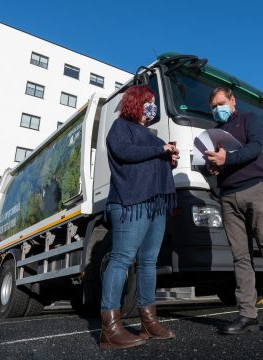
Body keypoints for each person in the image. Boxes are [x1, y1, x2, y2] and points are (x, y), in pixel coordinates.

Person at [205, 87, 263, 336]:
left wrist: (228, 159)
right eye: (213, 106)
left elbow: (255, 147)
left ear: (232, 101)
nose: (217, 109)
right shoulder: (214, 133)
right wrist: (212, 169)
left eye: (221, 103)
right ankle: (247, 315)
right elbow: (212, 165)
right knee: (240, 257)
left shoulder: (250, 120)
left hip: (257, 189)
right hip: (228, 198)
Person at [100, 85, 179, 349]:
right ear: (136, 102)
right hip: (130, 203)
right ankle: (110, 330)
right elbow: (125, 153)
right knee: (122, 259)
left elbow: (153, 161)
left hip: (155, 204)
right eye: (149, 101)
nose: (152, 107)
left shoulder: (153, 137)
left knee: (148, 263)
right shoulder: (120, 127)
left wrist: (169, 157)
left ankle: (149, 322)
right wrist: (160, 151)